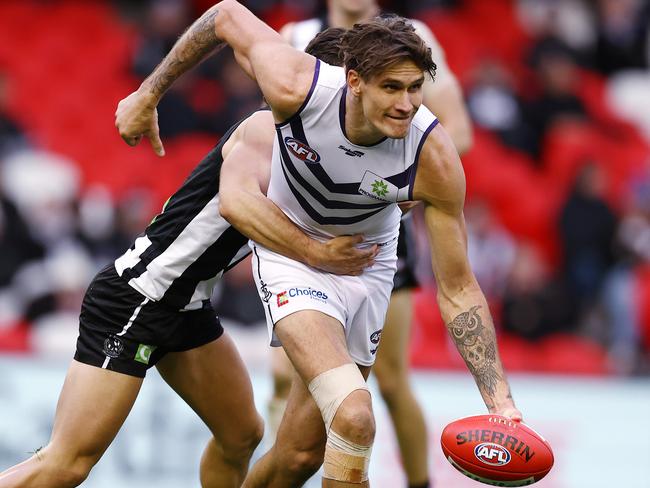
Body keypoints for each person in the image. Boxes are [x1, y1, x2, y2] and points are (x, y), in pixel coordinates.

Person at [114, 3, 521, 487]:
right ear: (353, 81)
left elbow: (458, 289)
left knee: (300, 455)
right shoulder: (295, 84)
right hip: (295, 257)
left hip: (368, 268)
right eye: (391, 88)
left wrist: (501, 403)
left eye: (414, 89)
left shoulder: (431, 155)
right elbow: (224, 15)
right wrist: (148, 93)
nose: (407, 104)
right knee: (354, 417)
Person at [0, 31, 376, 488]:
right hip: (139, 297)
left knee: (242, 435)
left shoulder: (326, 153)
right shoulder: (269, 133)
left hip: (186, 304)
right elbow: (240, 206)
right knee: (67, 463)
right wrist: (318, 251)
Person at [274, 3, 474, 487]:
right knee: (285, 378)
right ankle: (294, 465)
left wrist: (392, 185)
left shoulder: (411, 38)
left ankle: (417, 483)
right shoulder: (296, 35)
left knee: (389, 381)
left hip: (379, 237)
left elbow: (458, 134)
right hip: (304, 233)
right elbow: (274, 130)